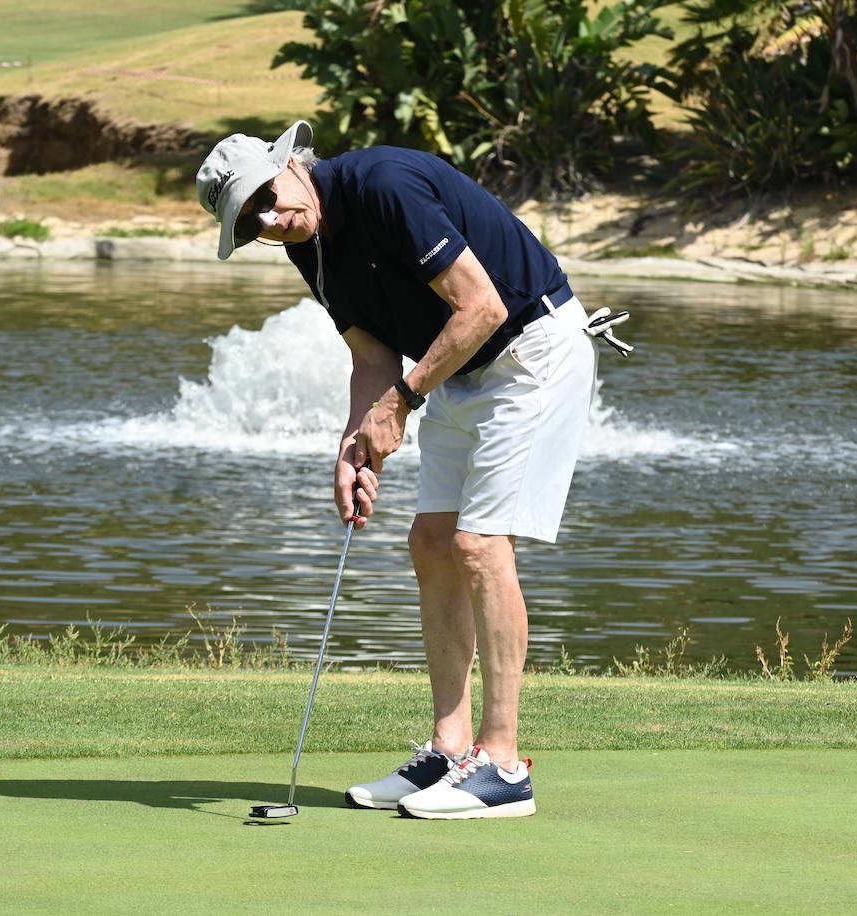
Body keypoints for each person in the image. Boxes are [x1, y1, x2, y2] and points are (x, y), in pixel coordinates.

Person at [197, 120, 598, 820]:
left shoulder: (384, 185)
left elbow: (483, 306)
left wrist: (403, 402)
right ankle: (450, 750)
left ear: (291, 163)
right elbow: (372, 357)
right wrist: (354, 441)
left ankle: (503, 765)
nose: (270, 219)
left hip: (533, 351)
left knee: (478, 543)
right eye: (250, 220)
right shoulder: (306, 244)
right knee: (431, 542)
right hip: (461, 368)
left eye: (267, 196)